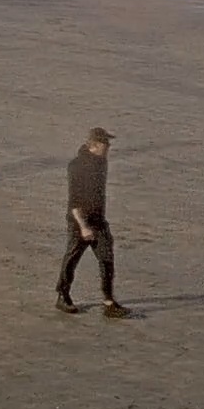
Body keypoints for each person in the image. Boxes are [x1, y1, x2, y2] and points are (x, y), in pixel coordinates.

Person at [57, 127, 130, 318]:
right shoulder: (77, 166)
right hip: (79, 221)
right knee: (72, 258)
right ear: (95, 145)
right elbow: (74, 199)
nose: (109, 147)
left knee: (106, 259)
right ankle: (62, 295)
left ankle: (108, 301)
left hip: (99, 220)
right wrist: (83, 226)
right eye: (106, 143)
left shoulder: (101, 163)